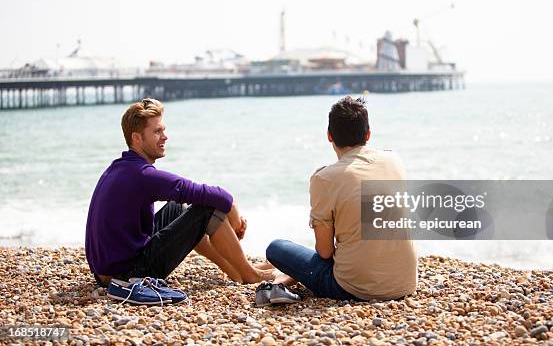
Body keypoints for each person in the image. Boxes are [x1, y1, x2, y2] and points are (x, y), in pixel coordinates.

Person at [85, 98, 272, 304]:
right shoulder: (143, 175)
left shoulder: (120, 167)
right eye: (157, 132)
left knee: (177, 208)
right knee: (207, 209)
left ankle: (234, 269)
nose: (165, 137)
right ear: (137, 138)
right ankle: (250, 275)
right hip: (127, 277)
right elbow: (221, 197)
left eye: (163, 130)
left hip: (106, 271)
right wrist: (236, 221)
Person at [263, 96, 418, 302]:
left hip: (353, 289)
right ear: (368, 134)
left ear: (329, 136)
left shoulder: (325, 178)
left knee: (276, 248)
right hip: (405, 283)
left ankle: (283, 278)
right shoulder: (394, 160)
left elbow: (325, 252)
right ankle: (285, 278)